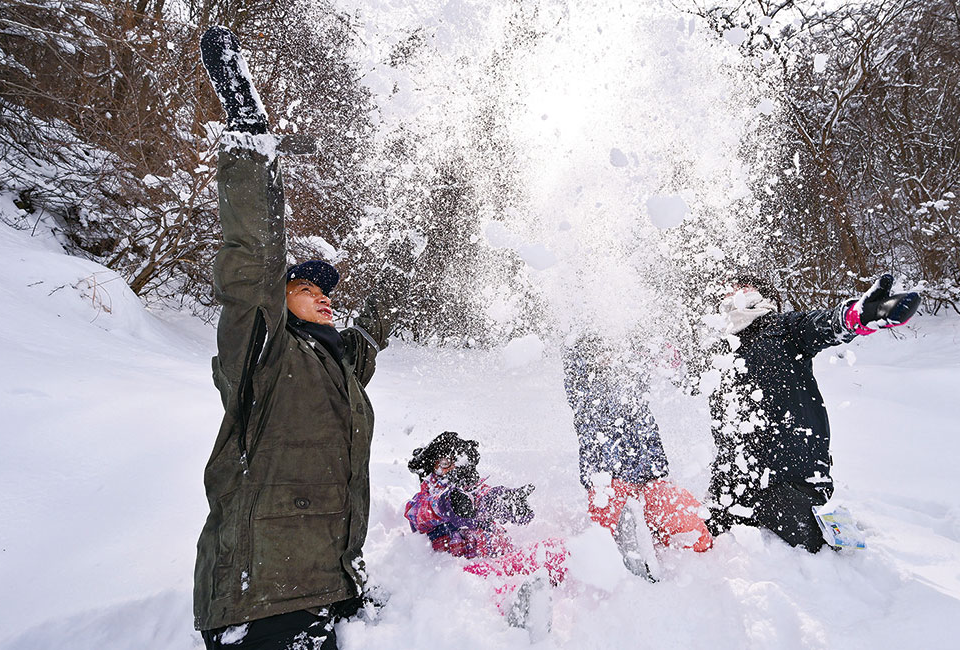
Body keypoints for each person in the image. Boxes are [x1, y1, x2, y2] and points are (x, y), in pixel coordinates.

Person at [192, 26, 405, 650]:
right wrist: (249, 139)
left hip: (332, 587)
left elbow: (375, 323)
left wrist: (410, 237)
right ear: (276, 299)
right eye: (305, 285)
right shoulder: (266, 354)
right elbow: (253, 257)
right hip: (264, 600)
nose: (324, 293)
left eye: (328, 288)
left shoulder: (338, 366)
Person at [705, 273, 919, 553]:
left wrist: (857, 316)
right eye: (727, 290)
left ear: (761, 294)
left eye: (743, 286)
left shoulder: (783, 328)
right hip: (732, 486)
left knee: (817, 560)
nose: (734, 293)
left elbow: (824, 325)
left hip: (790, 481)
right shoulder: (717, 351)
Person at [562, 334, 712, 580]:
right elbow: (575, 355)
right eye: (599, 349)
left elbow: (679, 369)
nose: (606, 355)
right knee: (611, 546)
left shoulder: (631, 359)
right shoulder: (583, 387)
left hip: (651, 479)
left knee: (696, 534)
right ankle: (633, 568)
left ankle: (651, 538)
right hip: (608, 483)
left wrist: (667, 351)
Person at [403, 432, 568, 632]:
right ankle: (518, 615)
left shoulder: (475, 492)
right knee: (483, 585)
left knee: (556, 549)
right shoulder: (424, 500)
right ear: (432, 469)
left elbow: (486, 498)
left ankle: (550, 589)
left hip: (504, 559)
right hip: (470, 574)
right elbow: (419, 515)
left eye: (457, 461)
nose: (452, 468)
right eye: (445, 463)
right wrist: (448, 502)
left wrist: (506, 503)